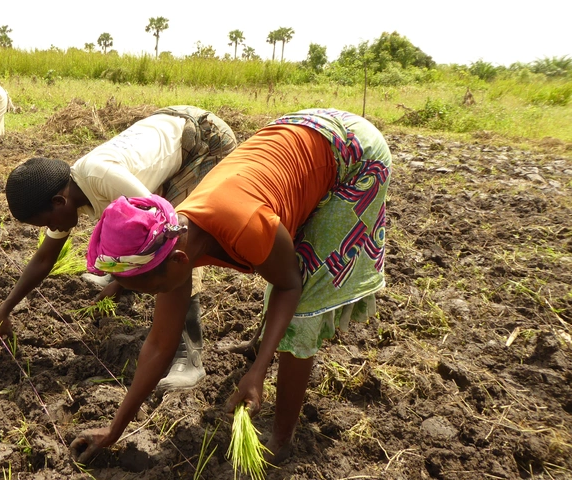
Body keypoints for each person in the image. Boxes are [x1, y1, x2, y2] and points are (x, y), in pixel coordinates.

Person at [70, 108, 391, 467]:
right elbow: (160, 344)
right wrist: (114, 430)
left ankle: (280, 441)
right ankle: (265, 346)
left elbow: (289, 286)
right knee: (286, 254)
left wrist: (257, 374)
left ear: (176, 262)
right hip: (294, 139)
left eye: (153, 290)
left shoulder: (244, 226)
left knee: (302, 304)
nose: (158, 298)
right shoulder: (172, 242)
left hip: (350, 152)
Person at [1, 106, 237, 392]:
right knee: (137, 226)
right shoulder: (69, 193)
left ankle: (190, 354)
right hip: (170, 133)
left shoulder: (102, 177)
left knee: (177, 245)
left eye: (46, 223)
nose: (49, 230)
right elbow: (44, 258)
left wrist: (122, 281)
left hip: (203, 141)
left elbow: (162, 230)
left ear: (58, 202)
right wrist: (6, 309)